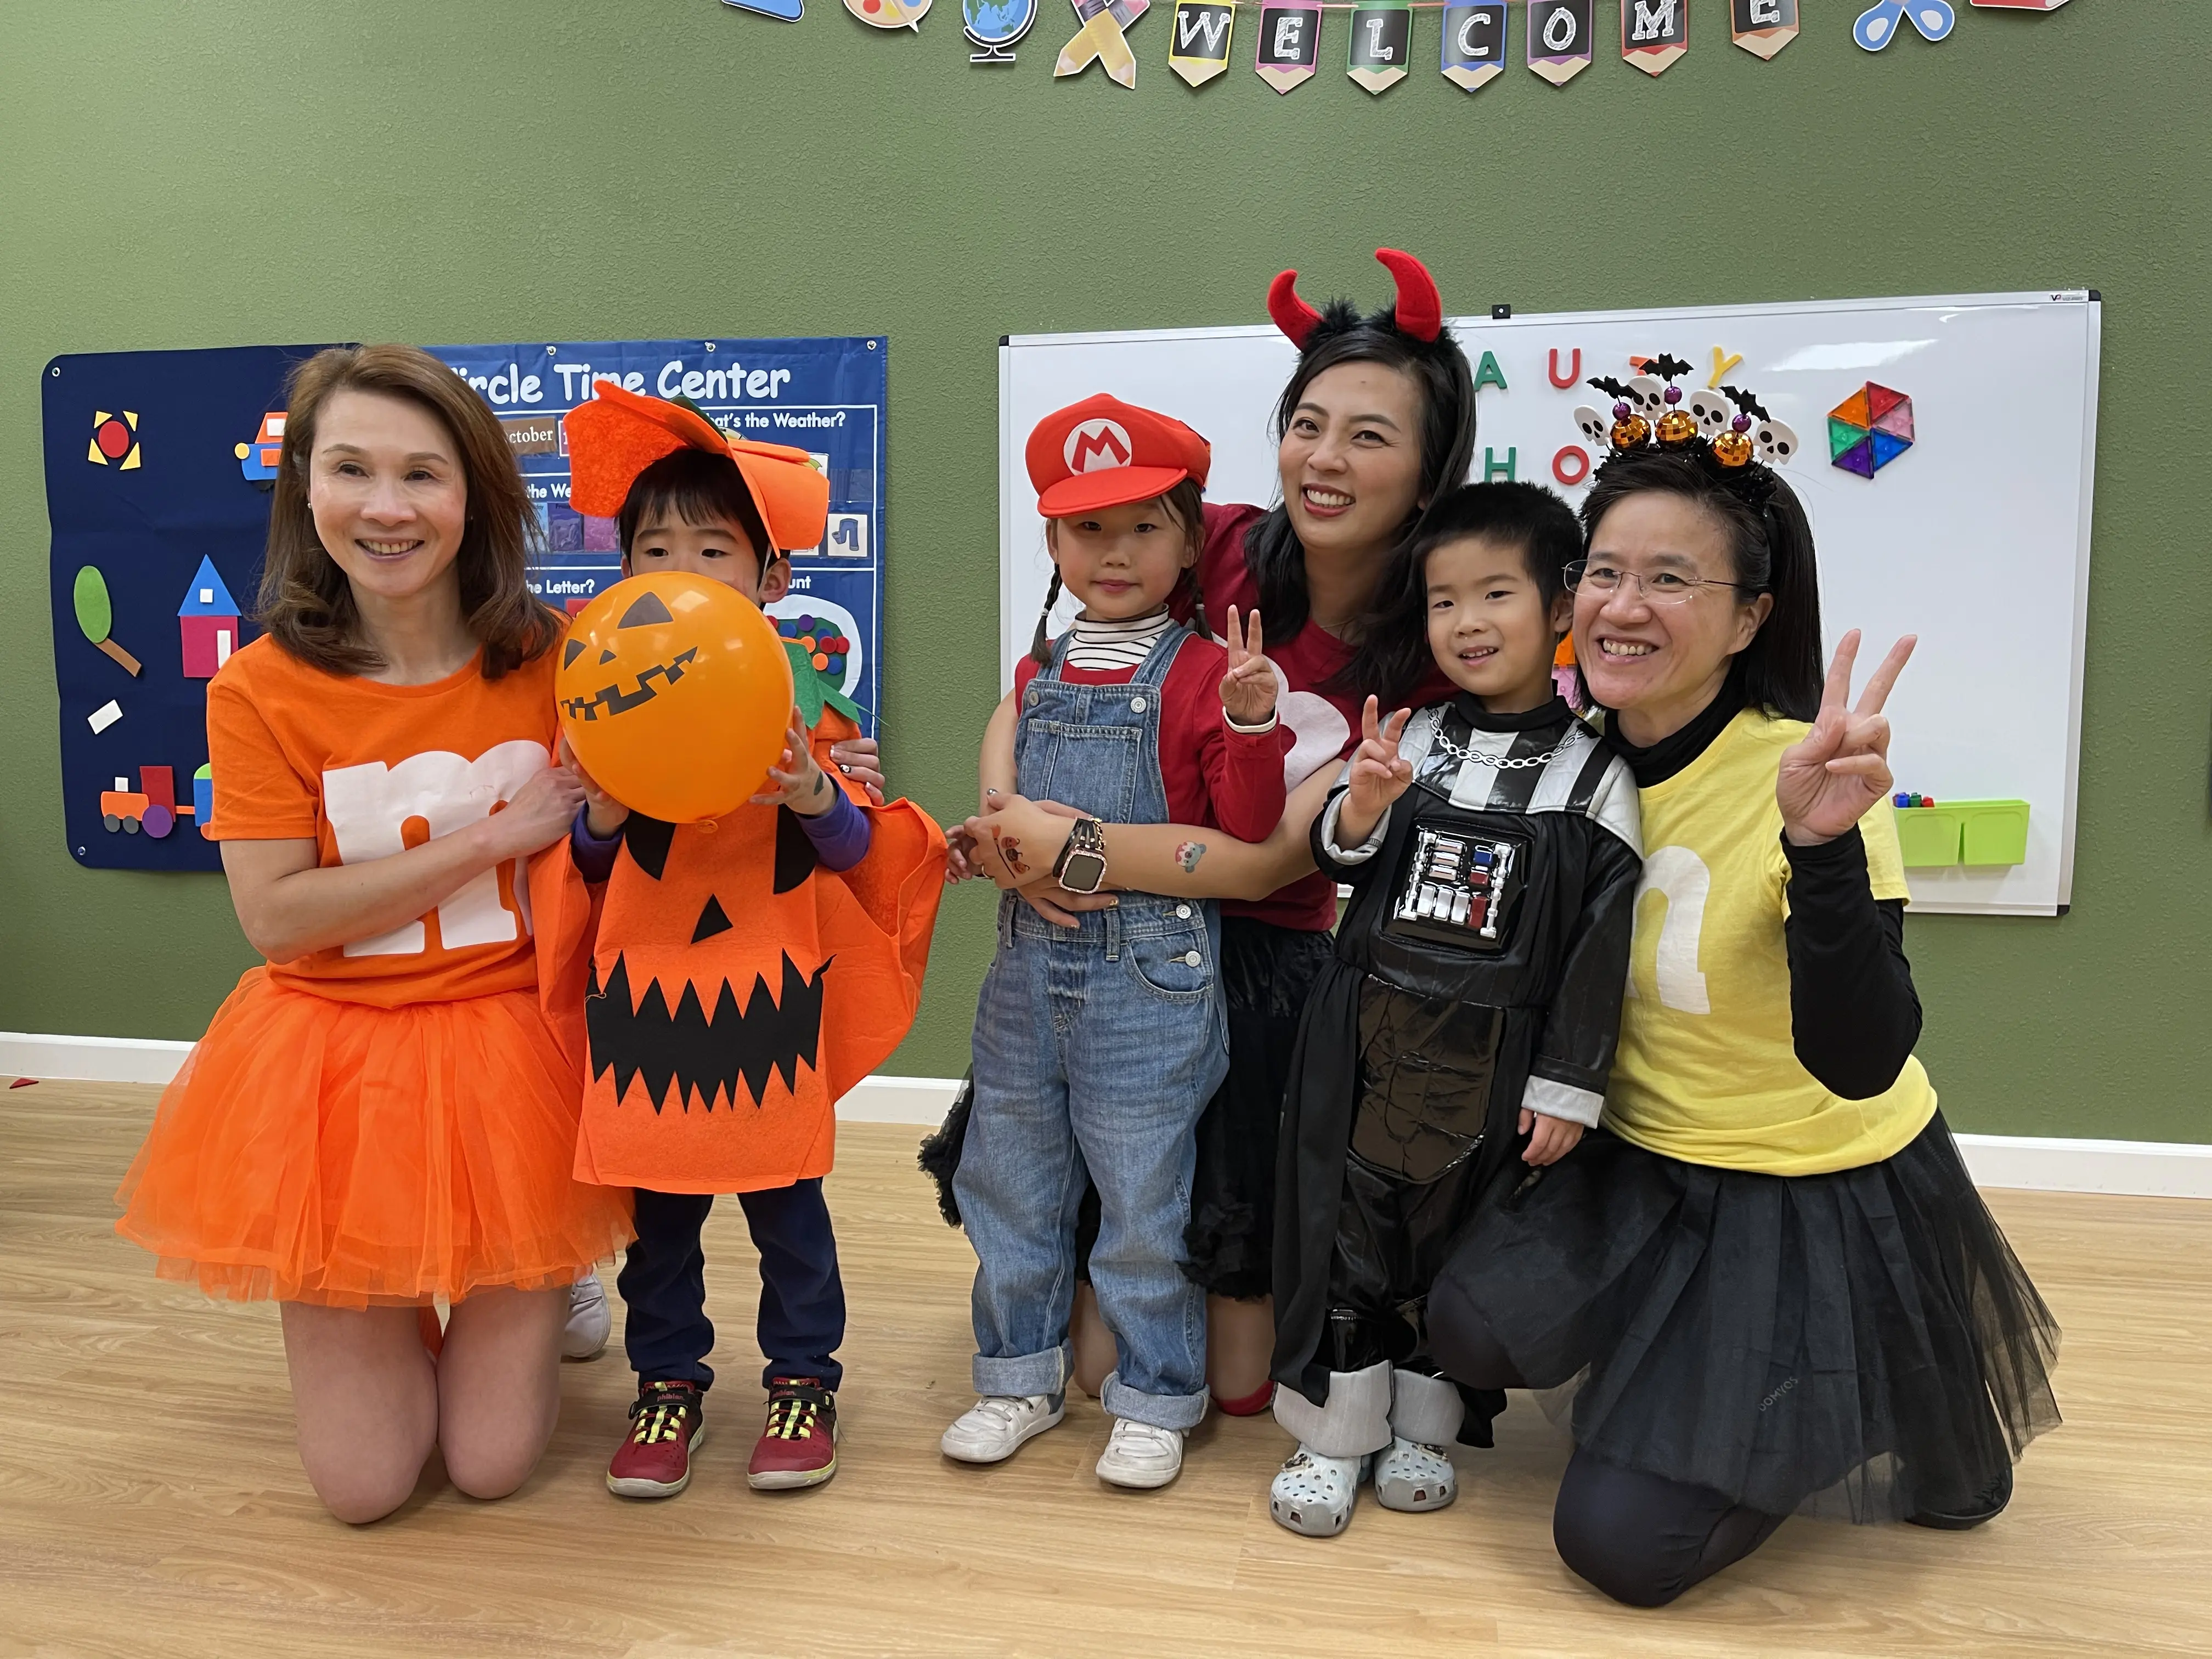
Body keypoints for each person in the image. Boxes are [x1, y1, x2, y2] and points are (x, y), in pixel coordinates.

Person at [1423, 373, 2061, 1605]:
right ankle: (1689, 1362)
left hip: (1799, 1185)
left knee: (1621, 1550)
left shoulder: (1803, 776)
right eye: (1605, 572)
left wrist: (1819, 850)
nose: (1623, 606)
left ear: (1750, 617)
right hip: (1641, 1162)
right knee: (1468, 1329)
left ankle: (1857, 1381)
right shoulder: (1569, 762)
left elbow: (1863, 1057)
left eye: (1672, 579)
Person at [114, 344, 634, 1523]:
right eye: (351, 469)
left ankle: (533, 1280)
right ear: (305, 487)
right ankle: (415, 1299)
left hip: (515, 1056)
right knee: (363, 1487)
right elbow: (277, 918)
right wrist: (493, 838)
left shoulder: (558, 659)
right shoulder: (258, 690)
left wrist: (816, 777)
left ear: (474, 497)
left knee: (491, 1464)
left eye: (422, 475)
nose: (386, 508)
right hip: (332, 1067)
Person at [957, 249, 1474, 1414]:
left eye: (1369, 437)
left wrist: (1066, 846)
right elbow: (1042, 688)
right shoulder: (1215, 543)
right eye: (1307, 425)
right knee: (1090, 1359)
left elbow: (1264, 862)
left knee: (1239, 1381)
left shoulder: (1434, 648)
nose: (1324, 459)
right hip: (1103, 952)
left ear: (1431, 471)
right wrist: (1007, 826)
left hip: (1257, 967)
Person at [540, 385, 944, 1499]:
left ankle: (804, 1381)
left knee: (791, 1221)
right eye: (654, 549)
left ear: (771, 576)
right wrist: (601, 815)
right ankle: (666, 1384)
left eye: (711, 550)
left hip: (766, 1002)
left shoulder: (810, 709)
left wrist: (814, 790)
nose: (681, 568)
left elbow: (857, 855)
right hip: (647, 1005)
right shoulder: (600, 698)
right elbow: (578, 876)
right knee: (658, 1231)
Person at [1266, 482, 1642, 1538]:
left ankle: (1425, 1430)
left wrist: (1568, 1085)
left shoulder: (1597, 779)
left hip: (1494, 1063)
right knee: (1349, 1238)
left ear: (1561, 606)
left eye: (1495, 594)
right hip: (1365, 1042)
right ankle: (1333, 1436)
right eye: (1443, 601)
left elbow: (1599, 949)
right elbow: (1341, 863)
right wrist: (1361, 808)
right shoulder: (1411, 739)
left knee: (1453, 1247)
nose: (1467, 622)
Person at [939, 396, 1287, 1490]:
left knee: (1143, 1199)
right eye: (1088, 530)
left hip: (1151, 978)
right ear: (1053, 546)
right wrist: (991, 843)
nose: (1116, 552)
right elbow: (1008, 802)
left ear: (1190, 543)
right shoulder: (1040, 670)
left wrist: (1249, 724)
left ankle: (1155, 1395)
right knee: (1010, 1179)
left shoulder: (1200, 671)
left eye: (1144, 527)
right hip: (1024, 975)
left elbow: (1245, 827)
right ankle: (1016, 1377)